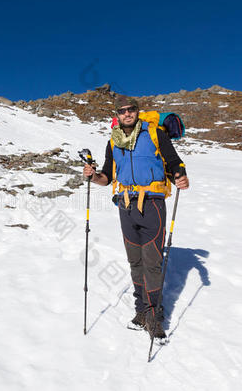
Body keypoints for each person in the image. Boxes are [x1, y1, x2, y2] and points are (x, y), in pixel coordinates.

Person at [83, 96, 189, 340]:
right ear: (117, 115)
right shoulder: (113, 141)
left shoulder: (154, 134)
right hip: (125, 205)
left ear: (137, 112)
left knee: (152, 262)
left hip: (152, 203)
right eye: (122, 111)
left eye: (131, 110)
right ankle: (140, 311)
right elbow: (108, 176)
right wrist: (93, 176)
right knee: (135, 262)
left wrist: (181, 177)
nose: (127, 114)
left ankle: (154, 317)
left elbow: (173, 162)